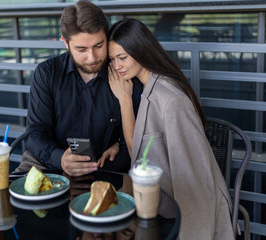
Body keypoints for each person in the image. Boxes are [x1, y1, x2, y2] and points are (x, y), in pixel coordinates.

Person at [107, 18, 234, 239]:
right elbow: (140, 149)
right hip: (160, 205)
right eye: (112, 60)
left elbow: (194, 179)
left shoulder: (170, 99)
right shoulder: (145, 87)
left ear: (141, 50)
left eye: (122, 58)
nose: (117, 66)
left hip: (188, 216)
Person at [13, 1, 142, 177]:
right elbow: (36, 133)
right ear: (65, 43)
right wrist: (60, 159)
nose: (92, 57)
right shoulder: (47, 73)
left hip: (104, 169)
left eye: (98, 46)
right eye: (81, 49)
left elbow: (133, 142)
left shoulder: (123, 73)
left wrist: (118, 145)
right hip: (47, 165)